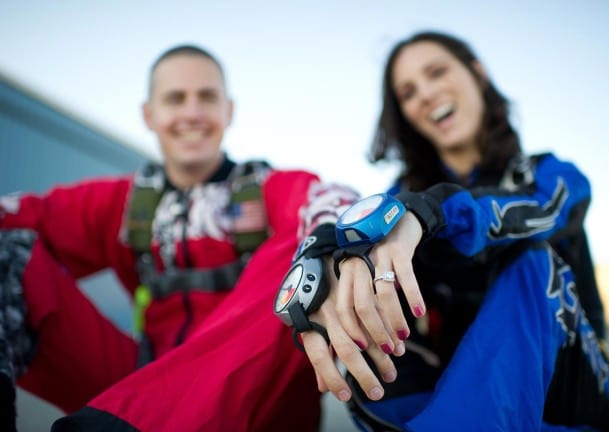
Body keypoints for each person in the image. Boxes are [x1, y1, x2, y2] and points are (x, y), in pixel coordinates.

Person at [0, 44, 359, 431]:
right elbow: (17, 214)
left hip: (260, 408)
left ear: (229, 110)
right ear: (149, 115)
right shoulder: (125, 202)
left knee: (315, 241)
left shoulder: (269, 189)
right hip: (137, 389)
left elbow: (335, 200)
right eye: (175, 99)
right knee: (8, 253)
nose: (192, 112)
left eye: (206, 97)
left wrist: (323, 240)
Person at [291, 31, 609, 431]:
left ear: (477, 74)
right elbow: (353, 237)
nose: (427, 94)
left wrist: (433, 213)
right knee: (360, 290)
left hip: (574, 394)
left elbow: (541, 208)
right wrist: (327, 266)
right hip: (451, 393)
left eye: (437, 72)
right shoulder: (400, 200)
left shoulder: (551, 175)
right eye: (408, 92)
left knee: (531, 259)